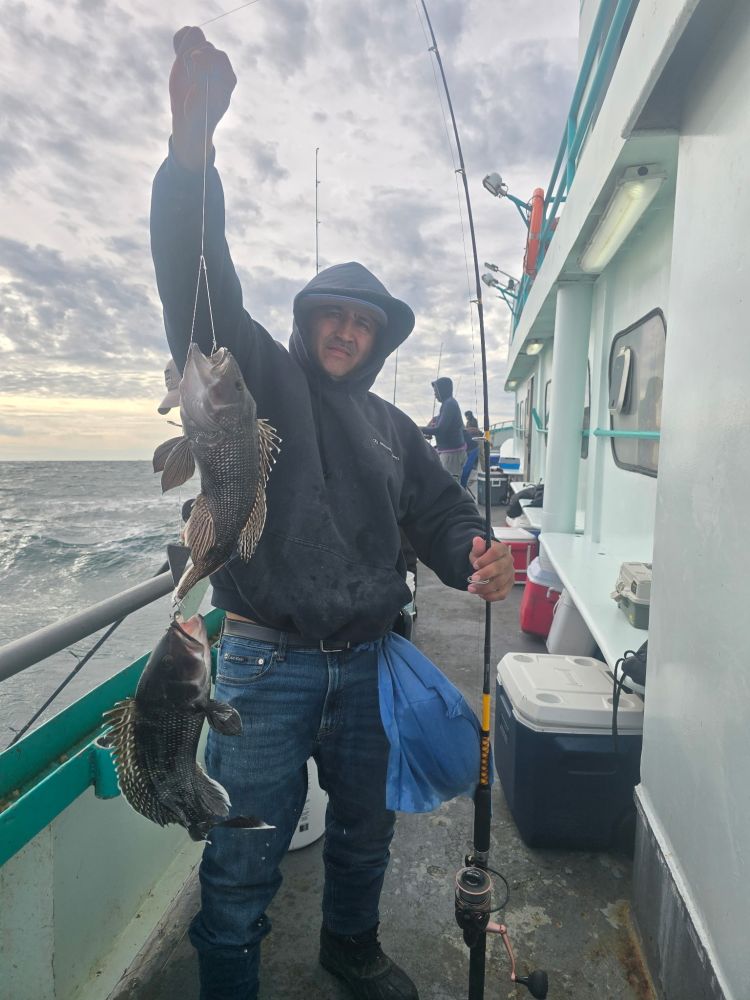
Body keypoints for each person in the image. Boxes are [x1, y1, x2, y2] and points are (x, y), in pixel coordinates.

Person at [150, 26, 515, 1000]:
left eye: (366, 322)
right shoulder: (262, 378)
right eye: (333, 317)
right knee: (243, 845)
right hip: (263, 662)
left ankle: (349, 946)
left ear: (382, 336)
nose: (348, 331)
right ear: (308, 322)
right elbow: (202, 289)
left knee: (366, 827)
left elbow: (441, 518)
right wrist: (193, 149)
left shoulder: (395, 425)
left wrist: (474, 552)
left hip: (372, 663)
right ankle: (229, 974)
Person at [419, 377, 466, 480]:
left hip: (452, 453)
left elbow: (440, 430)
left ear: (443, 390)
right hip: (450, 452)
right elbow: (440, 425)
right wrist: (429, 430)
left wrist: (419, 429)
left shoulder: (449, 404)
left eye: (436, 391)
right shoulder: (448, 404)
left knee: (450, 485)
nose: (435, 394)